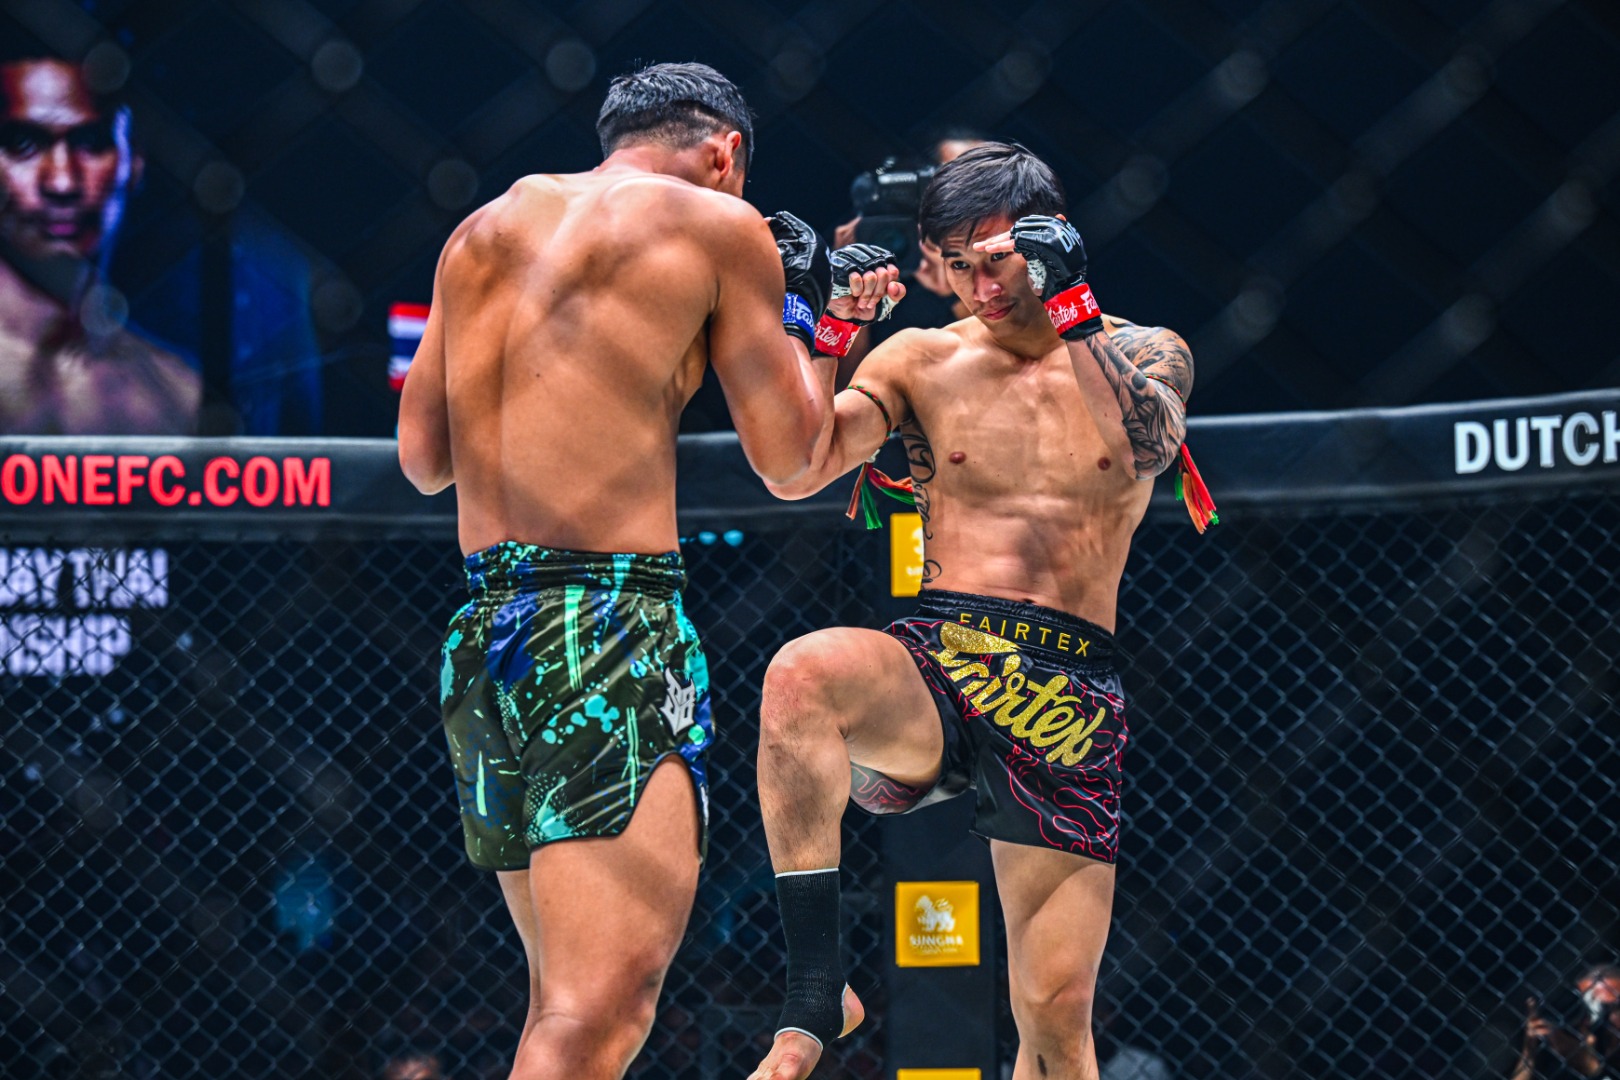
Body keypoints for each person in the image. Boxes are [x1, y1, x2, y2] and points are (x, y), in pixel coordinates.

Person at [396, 61, 902, 1080]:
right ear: (726, 152)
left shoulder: (480, 231)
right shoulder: (717, 223)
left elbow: (422, 460)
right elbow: (792, 460)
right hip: (604, 624)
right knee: (600, 1015)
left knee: (561, 1008)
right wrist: (828, 331)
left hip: (486, 639)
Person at [746, 142, 1200, 1080]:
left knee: (1056, 1021)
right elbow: (796, 469)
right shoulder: (921, 358)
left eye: (996, 259)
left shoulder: (1142, 350)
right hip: (943, 652)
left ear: (1049, 237)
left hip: (1066, 690)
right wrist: (824, 325)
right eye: (955, 265)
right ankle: (817, 988)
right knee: (802, 673)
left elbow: (1145, 450)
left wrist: (1071, 305)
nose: (977, 286)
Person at [0, 48, 199, 434]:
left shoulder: (177, 397)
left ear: (133, 161)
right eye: (23, 144)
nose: (62, 183)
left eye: (92, 143)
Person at [1512, 964, 1620, 1080]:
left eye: (1607, 1008)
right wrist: (1530, 1049)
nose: (1598, 1021)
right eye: (1586, 1007)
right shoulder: (1565, 1046)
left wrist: (1592, 1068)